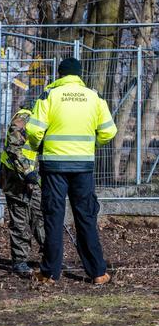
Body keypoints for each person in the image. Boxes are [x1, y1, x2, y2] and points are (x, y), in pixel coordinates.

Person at [26, 58, 117, 285]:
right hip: (83, 166)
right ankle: (97, 272)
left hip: (54, 166)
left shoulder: (50, 95)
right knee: (86, 217)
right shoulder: (93, 97)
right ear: (79, 75)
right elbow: (109, 131)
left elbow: (34, 129)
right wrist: (91, 145)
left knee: (53, 218)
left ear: (60, 74)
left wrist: (40, 146)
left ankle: (49, 273)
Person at [0, 98, 45, 276]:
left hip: (33, 179)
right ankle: (20, 261)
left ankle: (49, 255)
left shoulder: (41, 119)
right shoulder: (25, 117)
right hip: (16, 179)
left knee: (40, 216)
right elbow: (13, 148)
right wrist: (26, 172)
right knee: (20, 221)